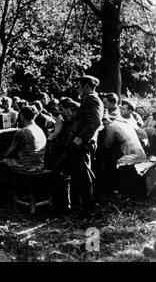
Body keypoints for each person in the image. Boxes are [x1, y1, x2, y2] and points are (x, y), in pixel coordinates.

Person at [57, 76, 103, 218]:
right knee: (79, 174)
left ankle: (87, 210)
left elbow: (94, 122)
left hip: (82, 144)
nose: (77, 88)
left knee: (82, 176)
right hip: (81, 143)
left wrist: (80, 138)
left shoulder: (91, 99)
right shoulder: (91, 99)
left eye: (79, 86)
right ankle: (78, 207)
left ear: (86, 86)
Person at [98, 112, 146, 193]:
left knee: (105, 156)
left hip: (128, 156)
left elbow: (107, 144)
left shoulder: (110, 127)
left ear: (105, 121)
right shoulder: (124, 123)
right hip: (140, 153)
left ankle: (110, 185)